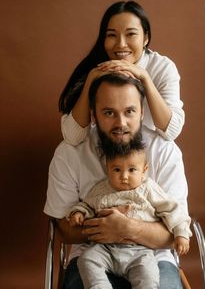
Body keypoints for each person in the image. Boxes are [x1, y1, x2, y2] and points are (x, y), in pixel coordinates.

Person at [44, 73, 188, 289]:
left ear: (141, 113)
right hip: (94, 253)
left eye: (129, 111)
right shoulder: (69, 154)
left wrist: (128, 228)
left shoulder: (165, 152)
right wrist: (105, 228)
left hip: (152, 256)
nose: (121, 123)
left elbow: (174, 230)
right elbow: (64, 230)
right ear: (93, 115)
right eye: (109, 112)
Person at [59, 1, 184, 145]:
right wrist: (90, 80)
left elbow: (171, 132)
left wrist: (145, 78)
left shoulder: (162, 68)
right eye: (112, 35)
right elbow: (72, 137)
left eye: (131, 34)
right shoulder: (95, 67)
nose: (121, 44)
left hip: (145, 154)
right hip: (104, 151)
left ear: (146, 38)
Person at [67, 144, 191, 289]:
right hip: (105, 249)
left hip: (139, 250)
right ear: (108, 169)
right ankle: (99, 286)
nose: (124, 176)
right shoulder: (101, 190)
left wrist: (181, 234)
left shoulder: (148, 189)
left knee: (149, 274)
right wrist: (78, 213)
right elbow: (87, 205)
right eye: (117, 170)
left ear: (144, 170)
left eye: (132, 170)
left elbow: (172, 210)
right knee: (86, 259)